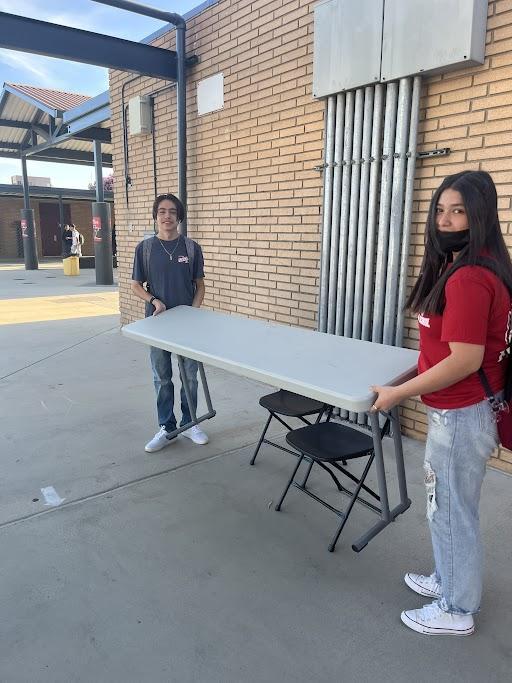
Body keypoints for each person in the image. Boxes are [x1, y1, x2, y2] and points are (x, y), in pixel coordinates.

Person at [371, 170, 512, 636]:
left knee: (450, 510)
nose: (446, 221)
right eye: (440, 210)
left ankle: (457, 608)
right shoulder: (476, 264)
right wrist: (412, 375)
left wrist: (398, 393)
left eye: (459, 211)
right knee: (448, 506)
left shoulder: (470, 277)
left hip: (460, 415)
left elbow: (465, 360)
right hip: (465, 411)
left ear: (481, 216)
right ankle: (448, 579)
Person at [131, 193, 209, 452]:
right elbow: (135, 285)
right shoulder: (145, 249)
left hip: (188, 326)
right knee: (162, 378)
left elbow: (200, 286)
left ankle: (190, 424)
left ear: (179, 217)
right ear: (156, 216)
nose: (167, 216)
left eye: (172, 212)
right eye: (162, 211)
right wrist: (154, 300)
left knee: (190, 377)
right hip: (157, 324)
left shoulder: (191, 248)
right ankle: (167, 427)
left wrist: (193, 313)